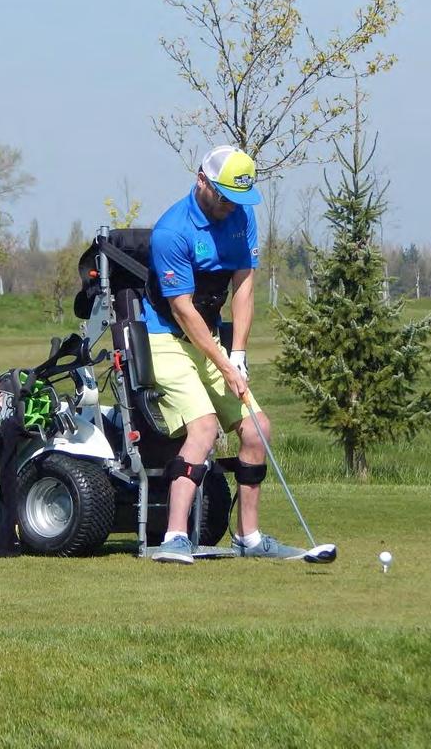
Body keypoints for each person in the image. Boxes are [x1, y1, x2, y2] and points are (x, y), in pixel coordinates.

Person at [142, 144, 306, 564]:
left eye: (239, 199)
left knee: (257, 429)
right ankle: (175, 537)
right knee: (205, 427)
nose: (231, 206)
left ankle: (248, 537)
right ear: (202, 181)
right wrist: (223, 365)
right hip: (167, 338)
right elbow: (183, 310)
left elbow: (244, 287)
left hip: (212, 337)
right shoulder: (171, 232)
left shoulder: (242, 216)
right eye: (225, 197)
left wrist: (239, 354)